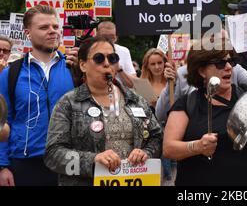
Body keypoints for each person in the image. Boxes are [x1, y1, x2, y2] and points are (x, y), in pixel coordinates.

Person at [163, 40, 247, 185]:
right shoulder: (187, 104)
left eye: (231, 61)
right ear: (202, 71)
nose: (229, 67)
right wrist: (197, 146)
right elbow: (169, 148)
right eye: (220, 63)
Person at [44, 36, 162, 186]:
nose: (107, 63)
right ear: (83, 65)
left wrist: (146, 153)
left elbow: (156, 137)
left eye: (112, 58)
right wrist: (93, 160)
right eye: (99, 58)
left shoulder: (135, 99)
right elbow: (53, 155)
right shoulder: (68, 103)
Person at [0, 5, 77, 186]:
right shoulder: (10, 73)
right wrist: (2, 165)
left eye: (55, 27)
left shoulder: (74, 68)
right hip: (25, 163)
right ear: (28, 33)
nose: (52, 31)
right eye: (44, 27)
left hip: (70, 160)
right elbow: (2, 122)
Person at [96, 21, 136, 88]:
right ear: (97, 35)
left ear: (116, 37)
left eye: (111, 37)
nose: (108, 40)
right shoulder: (89, 50)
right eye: (104, 37)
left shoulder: (124, 51)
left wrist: (119, 69)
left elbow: (133, 84)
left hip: (119, 95)